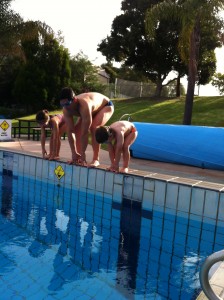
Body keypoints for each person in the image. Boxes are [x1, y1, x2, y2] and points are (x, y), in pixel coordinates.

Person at [59, 87, 114, 166]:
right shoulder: (66, 109)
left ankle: (96, 159)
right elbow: (70, 131)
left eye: (67, 104)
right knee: (77, 129)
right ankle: (78, 157)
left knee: (94, 128)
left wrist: (83, 152)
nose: (65, 107)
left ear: (74, 100)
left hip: (105, 106)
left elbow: (85, 132)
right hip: (91, 110)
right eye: (62, 104)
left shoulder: (84, 105)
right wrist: (73, 152)